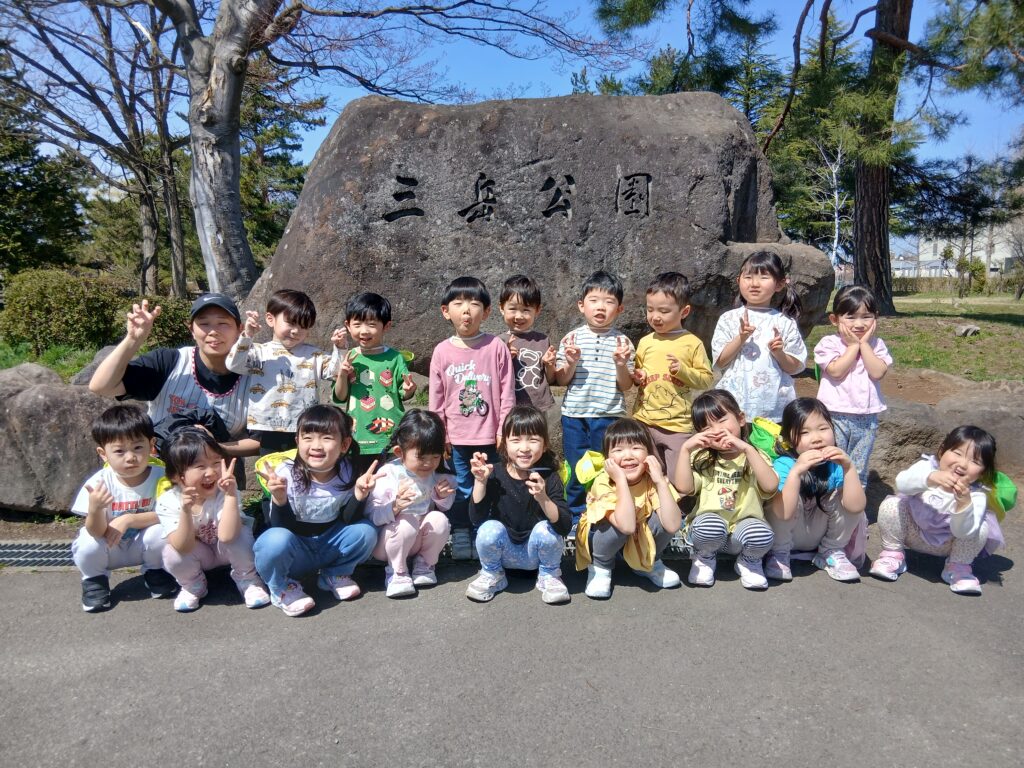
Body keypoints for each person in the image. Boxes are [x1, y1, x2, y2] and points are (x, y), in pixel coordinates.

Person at [89, 294, 258, 457]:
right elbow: (101, 386)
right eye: (204, 323)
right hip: (159, 465)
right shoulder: (169, 362)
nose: (213, 331)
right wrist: (133, 339)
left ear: (240, 329)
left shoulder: (255, 374)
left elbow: (261, 440)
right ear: (191, 330)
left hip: (216, 467)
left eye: (223, 323)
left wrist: (213, 447)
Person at [253, 405, 380, 615]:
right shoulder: (284, 473)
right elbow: (280, 527)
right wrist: (280, 498)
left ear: (344, 444)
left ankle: (335, 574)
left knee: (366, 531)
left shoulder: (348, 471)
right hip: (296, 552)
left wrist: (359, 495)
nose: (316, 446)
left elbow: (347, 520)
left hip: (329, 545)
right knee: (273, 540)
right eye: (308, 438)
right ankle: (281, 587)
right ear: (297, 441)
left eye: (327, 438)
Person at [428, 276, 515, 559]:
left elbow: (507, 392)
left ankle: (484, 532)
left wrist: (504, 430)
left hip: (491, 436)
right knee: (461, 486)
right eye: (459, 303)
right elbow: (436, 399)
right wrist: (439, 435)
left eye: (475, 304)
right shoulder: (442, 351)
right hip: (456, 437)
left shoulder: (496, 347)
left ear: (486, 312)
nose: (466, 310)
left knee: (492, 484)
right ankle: (462, 530)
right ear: (446, 311)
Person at [870, 426, 1005, 595]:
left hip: (948, 545)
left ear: (982, 473)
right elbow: (902, 483)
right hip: (913, 534)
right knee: (892, 505)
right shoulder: (926, 467)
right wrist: (929, 479)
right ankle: (892, 555)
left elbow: (963, 533)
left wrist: (963, 504)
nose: (963, 464)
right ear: (942, 451)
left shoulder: (976, 496)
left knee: (980, 529)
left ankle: (958, 568)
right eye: (957, 453)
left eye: (975, 462)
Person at [71, 405, 176, 612]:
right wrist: (95, 509)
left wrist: (129, 519)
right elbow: (95, 531)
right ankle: (94, 580)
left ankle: (155, 571)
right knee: (87, 542)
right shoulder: (99, 483)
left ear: (151, 445)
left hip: (143, 545)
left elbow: (171, 514)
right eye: (119, 451)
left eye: (137, 447)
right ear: (103, 454)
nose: (130, 457)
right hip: (110, 547)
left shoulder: (162, 476)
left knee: (162, 531)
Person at [466, 405, 572, 604]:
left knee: (545, 530)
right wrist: (480, 482)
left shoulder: (549, 476)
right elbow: (476, 519)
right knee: (489, 529)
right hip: (504, 555)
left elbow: (564, 526)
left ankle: (549, 576)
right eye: (516, 440)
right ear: (504, 444)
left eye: (533, 440)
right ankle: (493, 574)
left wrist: (543, 498)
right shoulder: (495, 473)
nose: (524, 448)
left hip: (537, 556)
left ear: (545, 445)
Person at [154, 429, 270, 612]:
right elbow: (182, 546)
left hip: (226, 549)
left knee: (241, 535)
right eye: (200, 466)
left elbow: (228, 536)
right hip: (200, 553)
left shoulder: (225, 491)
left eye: (216, 463)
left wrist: (230, 495)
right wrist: (185, 511)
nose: (211, 472)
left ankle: (247, 578)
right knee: (170, 552)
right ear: (176, 475)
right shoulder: (168, 501)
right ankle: (193, 584)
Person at [674, 389, 778, 590]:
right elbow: (684, 487)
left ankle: (748, 561)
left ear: (741, 419)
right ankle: (704, 557)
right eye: (707, 428)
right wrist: (685, 450)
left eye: (722, 420)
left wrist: (747, 449)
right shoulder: (702, 458)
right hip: (709, 535)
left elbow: (770, 486)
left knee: (763, 533)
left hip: (742, 534)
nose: (717, 430)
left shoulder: (755, 456)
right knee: (707, 524)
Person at [555, 270, 635, 523]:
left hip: (609, 414)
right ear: (581, 305)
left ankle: (605, 511)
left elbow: (626, 385)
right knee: (576, 465)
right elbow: (561, 380)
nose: (601, 307)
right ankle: (575, 515)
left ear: (619, 309)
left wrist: (621, 364)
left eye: (609, 302)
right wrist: (570, 362)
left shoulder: (623, 342)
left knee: (606, 465)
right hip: (575, 415)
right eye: (594, 300)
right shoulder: (571, 339)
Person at [225, 288, 345, 455]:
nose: (296, 331)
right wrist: (247, 336)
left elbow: (336, 373)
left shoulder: (314, 355)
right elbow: (233, 364)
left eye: (303, 326)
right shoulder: (259, 351)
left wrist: (339, 348)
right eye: (291, 323)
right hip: (268, 428)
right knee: (272, 469)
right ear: (270, 319)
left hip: (306, 427)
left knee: (304, 469)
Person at [574, 418, 682, 600]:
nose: (628, 456)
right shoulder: (603, 482)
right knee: (618, 526)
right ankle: (601, 568)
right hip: (605, 537)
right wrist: (621, 480)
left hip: (637, 533)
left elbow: (672, 525)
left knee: (664, 516)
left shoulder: (651, 479)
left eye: (636, 448)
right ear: (607, 458)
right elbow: (626, 526)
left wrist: (660, 482)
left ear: (649, 453)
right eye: (618, 450)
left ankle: (648, 562)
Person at [764, 398, 866, 583]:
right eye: (804, 432)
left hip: (822, 537)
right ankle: (778, 553)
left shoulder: (836, 465)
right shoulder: (784, 464)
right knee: (779, 497)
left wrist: (849, 468)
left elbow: (856, 507)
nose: (817, 438)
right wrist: (796, 472)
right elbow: (782, 513)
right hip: (787, 535)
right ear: (788, 440)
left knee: (849, 494)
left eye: (823, 428)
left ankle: (831, 552)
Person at [365, 409, 455, 599]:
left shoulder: (438, 471)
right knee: (407, 522)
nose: (429, 463)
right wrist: (395, 507)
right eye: (421, 457)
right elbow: (372, 515)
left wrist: (440, 496)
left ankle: (424, 564)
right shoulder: (389, 473)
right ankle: (396, 572)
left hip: (417, 541)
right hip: (388, 543)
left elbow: (445, 506)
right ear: (400, 452)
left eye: (435, 456)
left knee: (439, 519)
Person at [631, 271, 714, 475]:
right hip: (644, 421)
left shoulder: (692, 343)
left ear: (684, 312)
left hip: (677, 425)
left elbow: (707, 380)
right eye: (650, 309)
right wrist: (637, 376)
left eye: (664, 311)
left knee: (678, 476)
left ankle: (680, 497)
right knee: (648, 473)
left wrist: (683, 371)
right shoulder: (645, 342)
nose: (655, 317)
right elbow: (638, 374)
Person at [710, 253, 806, 422]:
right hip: (734, 405)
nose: (754, 283)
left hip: (775, 409)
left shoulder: (785, 322)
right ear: (739, 280)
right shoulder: (729, 319)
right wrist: (741, 338)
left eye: (764, 277)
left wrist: (779, 353)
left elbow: (794, 368)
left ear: (779, 284)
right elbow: (719, 362)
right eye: (748, 277)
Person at [813, 285, 892, 488]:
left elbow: (877, 372)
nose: (859, 324)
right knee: (830, 461)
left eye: (866, 317)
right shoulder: (828, 343)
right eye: (850, 317)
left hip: (866, 418)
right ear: (835, 319)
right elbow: (836, 371)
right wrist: (853, 346)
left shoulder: (877, 345)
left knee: (858, 466)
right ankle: (828, 500)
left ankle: (853, 503)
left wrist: (864, 345)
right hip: (834, 415)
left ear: (875, 318)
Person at [333, 292, 417, 475]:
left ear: (386, 326)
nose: (364, 331)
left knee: (390, 481)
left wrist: (409, 390)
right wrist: (342, 374)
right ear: (348, 325)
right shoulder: (348, 357)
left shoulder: (395, 358)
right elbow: (340, 396)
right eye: (357, 324)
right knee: (359, 481)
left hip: (391, 437)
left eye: (371, 324)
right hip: (357, 435)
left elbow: (404, 393)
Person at [497, 275, 558, 427]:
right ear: (502, 308)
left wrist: (549, 364)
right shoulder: (498, 342)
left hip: (539, 407)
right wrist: (505, 357)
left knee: (537, 440)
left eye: (526, 310)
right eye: (512, 309)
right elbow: (493, 377)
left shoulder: (542, 340)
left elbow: (550, 379)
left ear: (537, 310)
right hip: (509, 408)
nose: (519, 316)